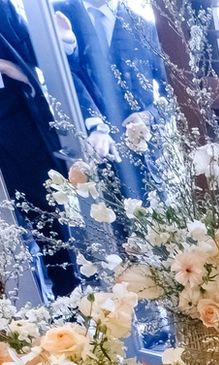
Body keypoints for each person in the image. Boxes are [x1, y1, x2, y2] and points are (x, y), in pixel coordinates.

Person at [0, 0, 78, 297]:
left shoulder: (4, 6)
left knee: (49, 225)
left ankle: (68, 305)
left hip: (22, 130)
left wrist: (63, 40)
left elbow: (32, 51)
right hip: (13, 124)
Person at [53, 0, 168, 200]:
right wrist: (96, 126)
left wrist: (148, 115)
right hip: (87, 158)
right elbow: (59, 76)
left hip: (143, 161)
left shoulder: (144, 26)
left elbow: (172, 94)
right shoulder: (57, 15)